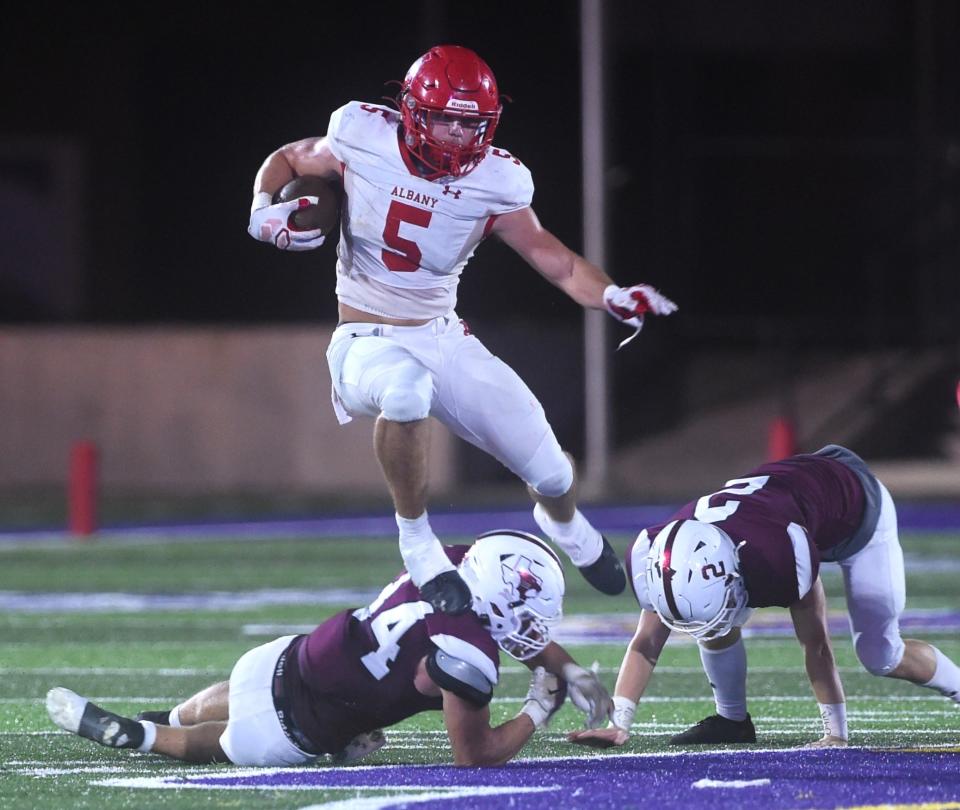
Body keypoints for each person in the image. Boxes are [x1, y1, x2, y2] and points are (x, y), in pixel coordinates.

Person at [246, 44, 678, 614]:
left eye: (468, 122)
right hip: (364, 338)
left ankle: (565, 524)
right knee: (404, 391)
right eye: (443, 118)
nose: (454, 134)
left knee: (550, 469)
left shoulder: (498, 180)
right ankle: (417, 541)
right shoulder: (361, 133)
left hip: (443, 335)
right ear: (411, 110)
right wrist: (260, 209)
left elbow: (559, 260)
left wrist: (612, 294)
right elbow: (290, 158)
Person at [47, 530, 612, 767]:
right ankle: (145, 736)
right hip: (305, 724)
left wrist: (566, 666)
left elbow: (501, 615)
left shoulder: (444, 558)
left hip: (290, 655)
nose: (536, 630)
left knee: (240, 693)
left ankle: (159, 715)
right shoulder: (467, 660)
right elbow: (476, 756)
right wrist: (538, 709)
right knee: (219, 743)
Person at [568, 445, 960, 750]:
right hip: (792, 505)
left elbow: (816, 643)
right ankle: (732, 721)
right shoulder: (661, 554)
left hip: (857, 510)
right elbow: (646, 643)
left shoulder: (777, 555)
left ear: (734, 568)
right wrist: (618, 724)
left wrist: (835, 734)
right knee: (712, 619)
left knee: (880, 654)